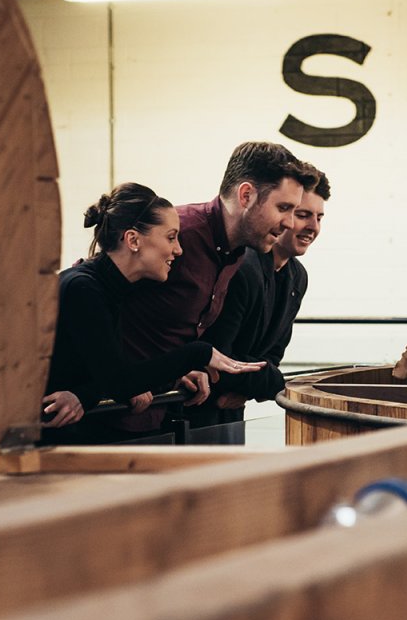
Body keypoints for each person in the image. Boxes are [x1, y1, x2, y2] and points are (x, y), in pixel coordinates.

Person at [41, 183, 263, 444]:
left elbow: (106, 373)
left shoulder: (108, 289)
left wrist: (87, 394)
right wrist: (198, 353)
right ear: (133, 240)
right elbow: (119, 381)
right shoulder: (84, 289)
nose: (178, 250)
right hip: (27, 450)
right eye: (170, 237)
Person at [117, 141, 316, 430]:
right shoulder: (181, 232)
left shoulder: (233, 253)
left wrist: (179, 371)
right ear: (246, 195)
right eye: (283, 208)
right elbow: (89, 289)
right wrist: (94, 384)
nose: (289, 223)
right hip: (105, 417)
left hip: (156, 416)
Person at [200, 166, 330, 427]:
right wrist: (271, 382)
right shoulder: (242, 266)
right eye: (302, 215)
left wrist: (250, 388)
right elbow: (221, 357)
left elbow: (273, 354)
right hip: (196, 408)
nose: (312, 227)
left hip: (233, 408)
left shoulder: (297, 275)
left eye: (319, 217)